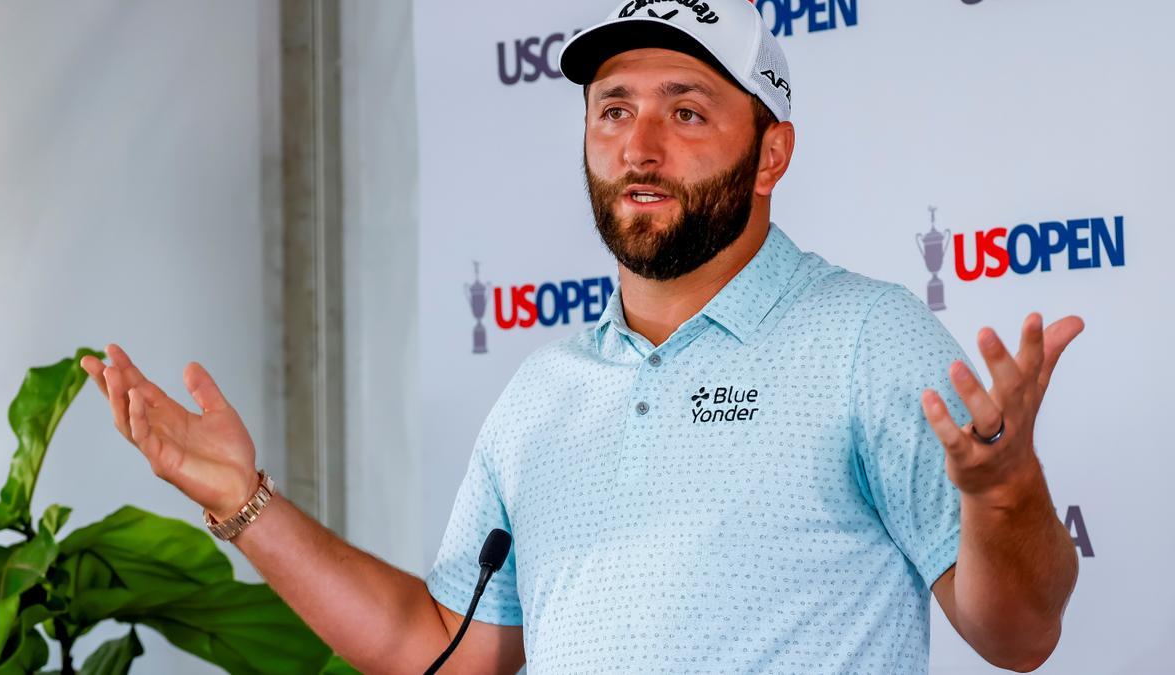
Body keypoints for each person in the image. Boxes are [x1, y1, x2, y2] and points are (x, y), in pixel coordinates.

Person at [81, 0, 1082, 672]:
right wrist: (242, 502)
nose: (639, 147)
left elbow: (1020, 633)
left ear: (771, 152)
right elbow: (442, 646)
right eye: (614, 110)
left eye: (686, 111)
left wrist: (1004, 496)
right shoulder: (542, 394)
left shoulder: (870, 340)